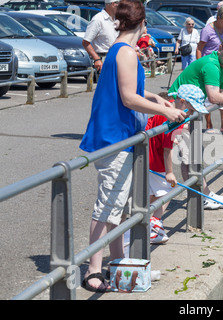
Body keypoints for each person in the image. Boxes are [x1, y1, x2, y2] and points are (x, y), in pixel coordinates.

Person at [79, 0, 187, 293]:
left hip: (117, 136)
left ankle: (118, 263)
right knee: (107, 206)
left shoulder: (118, 50)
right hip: (115, 138)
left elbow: (132, 90)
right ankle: (93, 271)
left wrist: (156, 99)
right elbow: (128, 98)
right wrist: (166, 112)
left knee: (116, 207)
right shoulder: (125, 53)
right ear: (142, 24)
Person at [169, 35, 223, 209]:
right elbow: (214, 97)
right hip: (176, 109)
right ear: (220, 49)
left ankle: (205, 194)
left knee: (194, 154)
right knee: (189, 156)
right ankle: (201, 197)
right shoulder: (212, 65)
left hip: (189, 110)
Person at [147, 84, 207, 244]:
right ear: (183, 102)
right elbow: (168, 150)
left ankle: (146, 220)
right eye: (192, 110)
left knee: (153, 193)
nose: (192, 113)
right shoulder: (173, 118)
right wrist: (169, 172)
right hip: (157, 162)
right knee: (168, 191)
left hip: (147, 157)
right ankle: (153, 224)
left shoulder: (165, 108)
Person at [197, 3, 223, 134]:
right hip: (209, 66)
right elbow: (199, 49)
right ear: (218, 17)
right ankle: (208, 123)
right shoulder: (207, 30)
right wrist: (200, 65)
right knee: (209, 96)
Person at [82, 0, 120, 74]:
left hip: (117, 57)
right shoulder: (98, 19)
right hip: (104, 59)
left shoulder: (117, 19)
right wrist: (97, 59)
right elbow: (85, 42)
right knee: (106, 85)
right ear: (113, 4)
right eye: (119, 3)